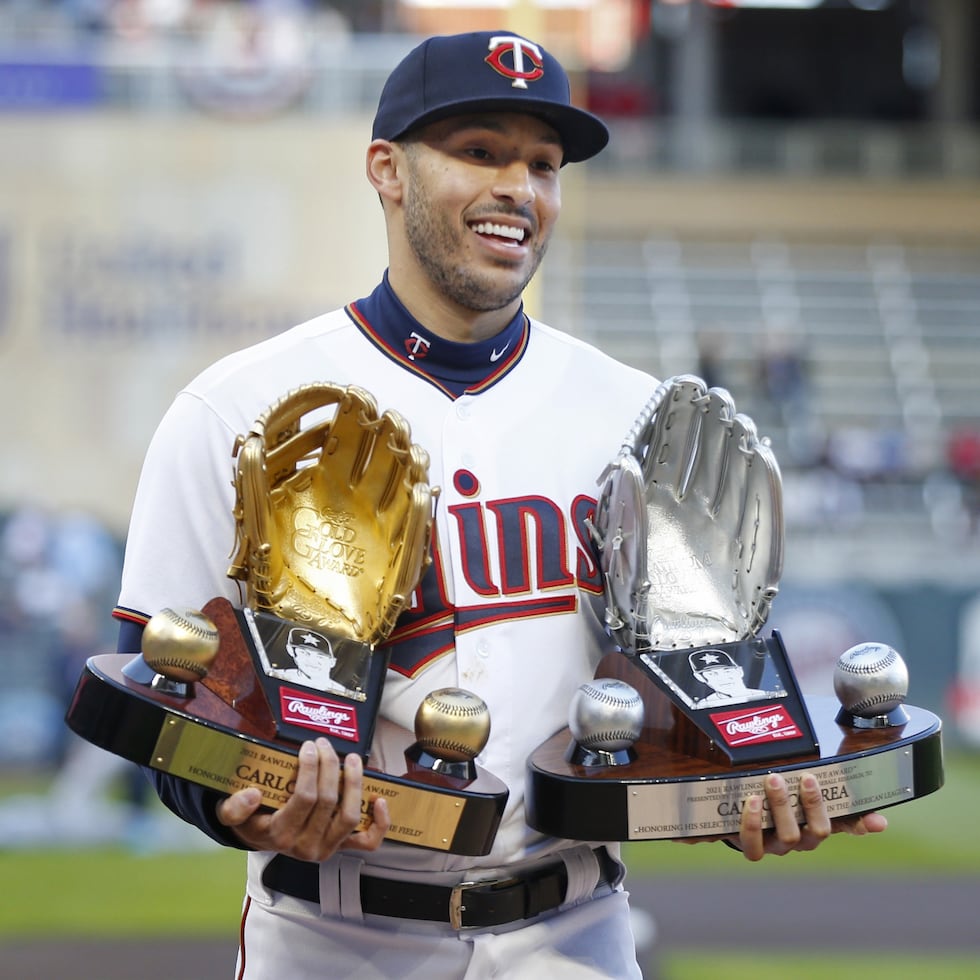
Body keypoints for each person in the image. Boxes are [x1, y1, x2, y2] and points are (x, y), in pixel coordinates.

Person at [112, 30, 888, 979]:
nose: (518, 187)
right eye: (479, 152)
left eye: (543, 164)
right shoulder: (240, 408)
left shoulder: (635, 416)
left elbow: (663, 708)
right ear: (386, 170)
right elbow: (171, 702)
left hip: (575, 932)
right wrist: (237, 802)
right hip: (335, 938)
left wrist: (734, 799)